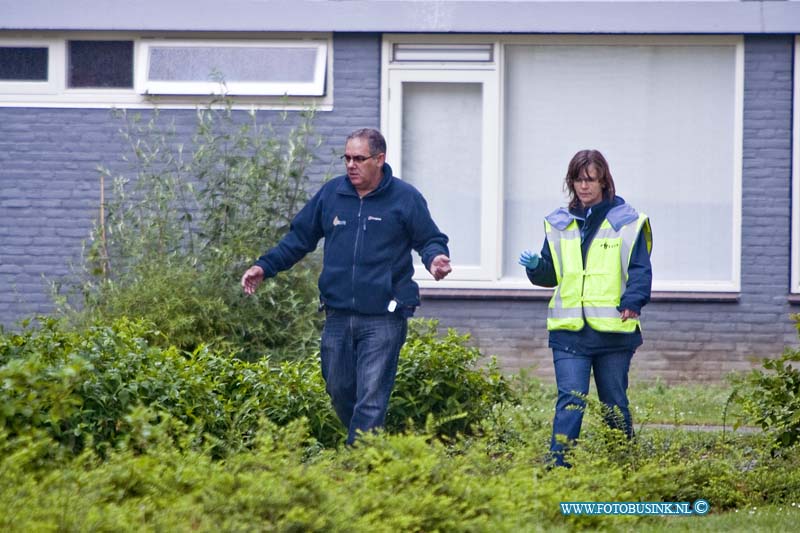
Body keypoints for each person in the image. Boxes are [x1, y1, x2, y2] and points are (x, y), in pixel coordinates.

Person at [241, 128, 452, 445]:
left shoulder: (405, 199)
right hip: (338, 315)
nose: (351, 165)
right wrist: (264, 266)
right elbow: (299, 239)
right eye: (347, 158)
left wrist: (436, 259)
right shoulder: (331, 195)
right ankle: (373, 445)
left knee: (371, 396)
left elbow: (429, 240)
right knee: (338, 389)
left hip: (384, 316)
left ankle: (357, 467)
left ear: (379, 160)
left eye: (359, 158)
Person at [519, 149, 652, 467]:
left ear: (604, 181)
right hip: (569, 333)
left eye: (590, 179)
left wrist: (633, 302)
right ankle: (558, 466)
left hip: (613, 332)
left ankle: (623, 464)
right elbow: (551, 275)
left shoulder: (627, 223)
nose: (584, 186)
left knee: (613, 403)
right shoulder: (560, 223)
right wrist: (537, 267)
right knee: (571, 400)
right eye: (578, 180)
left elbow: (640, 271)